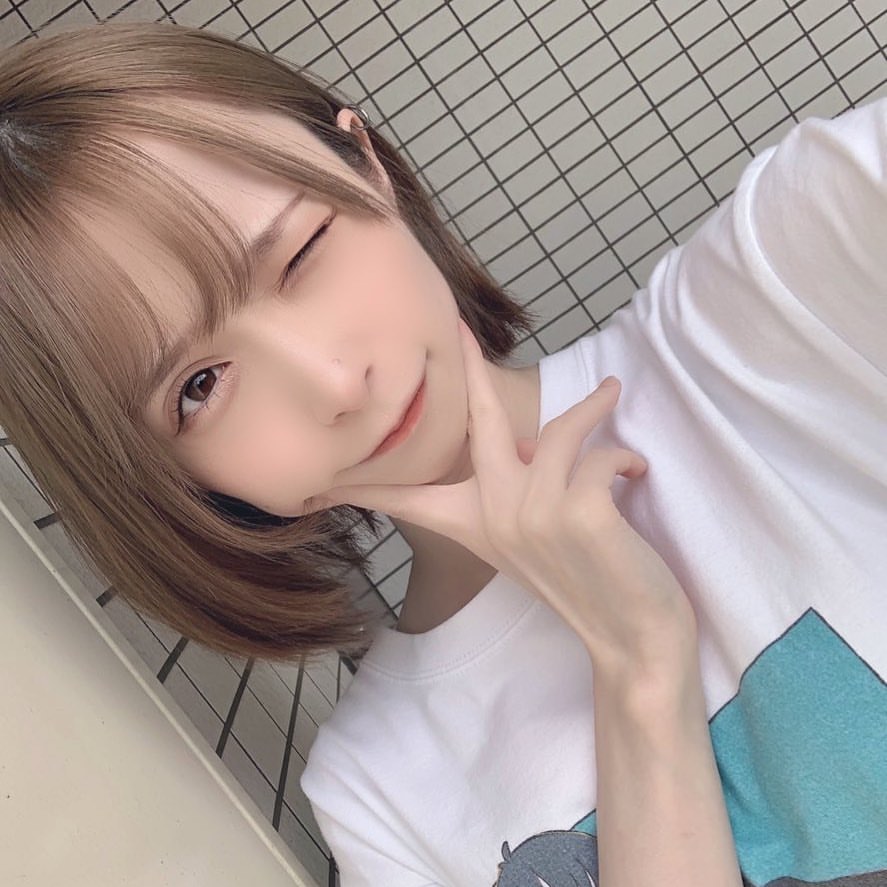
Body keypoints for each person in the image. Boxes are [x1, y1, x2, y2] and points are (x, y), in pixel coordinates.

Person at [0, 19, 884, 887]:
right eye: (200, 386)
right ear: (162, 476)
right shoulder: (379, 797)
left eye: (301, 253)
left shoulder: (786, 291)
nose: (333, 382)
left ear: (366, 164)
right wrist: (638, 662)